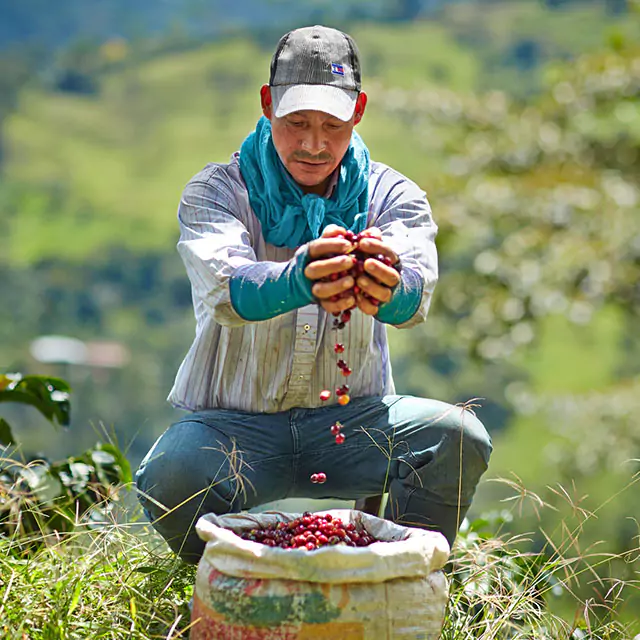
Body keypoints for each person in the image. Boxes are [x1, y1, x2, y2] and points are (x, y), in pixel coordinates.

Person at [135, 25, 492, 564]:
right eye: (296, 122)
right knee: (170, 472)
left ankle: (403, 577)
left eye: (332, 125)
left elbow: (414, 299)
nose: (313, 144)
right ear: (266, 104)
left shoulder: (390, 195)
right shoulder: (217, 191)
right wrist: (300, 279)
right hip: (235, 426)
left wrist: (384, 285)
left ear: (359, 113)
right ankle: (223, 581)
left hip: (351, 420)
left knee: (457, 437)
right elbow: (229, 291)